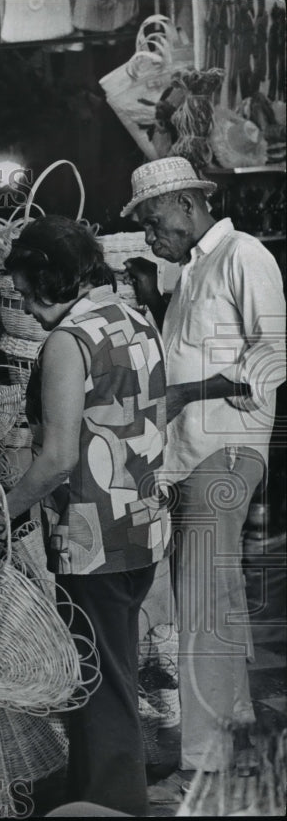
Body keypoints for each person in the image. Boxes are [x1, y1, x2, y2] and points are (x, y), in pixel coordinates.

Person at [0, 215, 170, 816]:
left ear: (54, 278)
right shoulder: (136, 318)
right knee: (102, 673)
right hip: (143, 527)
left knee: (104, 687)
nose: (25, 304)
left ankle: (115, 803)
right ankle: (88, 794)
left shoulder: (68, 342)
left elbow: (56, 458)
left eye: (30, 288)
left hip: (95, 539)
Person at [121, 156, 287, 773]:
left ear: (189, 205)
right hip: (192, 450)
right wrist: (155, 300)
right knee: (210, 591)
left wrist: (187, 394)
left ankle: (209, 751)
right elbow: (196, 349)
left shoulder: (244, 255)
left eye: (153, 218)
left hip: (227, 445)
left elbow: (275, 356)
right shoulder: (192, 270)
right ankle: (230, 727)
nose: (148, 233)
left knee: (200, 597)